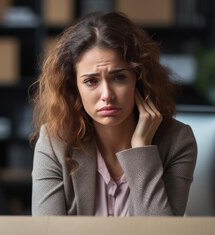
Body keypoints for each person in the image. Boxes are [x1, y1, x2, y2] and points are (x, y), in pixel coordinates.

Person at [30, 12, 197, 216]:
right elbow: (46, 230)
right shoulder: (55, 142)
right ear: (74, 88)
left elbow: (163, 231)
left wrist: (142, 150)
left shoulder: (177, 142)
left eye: (119, 77)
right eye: (91, 81)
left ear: (139, 79)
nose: (107, 95)